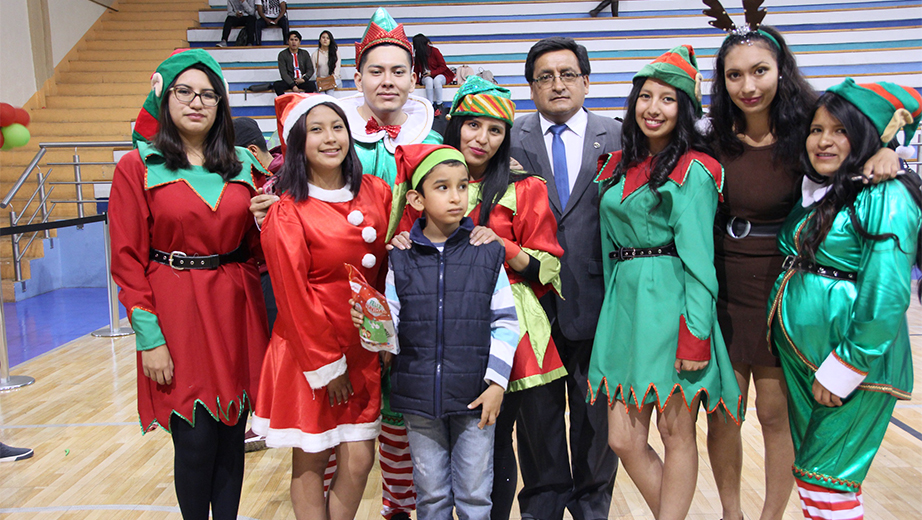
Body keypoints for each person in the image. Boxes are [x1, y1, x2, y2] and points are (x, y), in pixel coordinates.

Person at [700, 13, 904, 519]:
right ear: (723, 82)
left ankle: (772, 516)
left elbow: (863, 131)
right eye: (735, 75)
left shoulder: (811, 130)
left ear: (781, 70)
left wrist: (886, 150)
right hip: (723, 282)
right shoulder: (710, 138)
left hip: (782, 285)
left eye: (760, 71)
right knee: (723, 416)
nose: (749, 85)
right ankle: (731, 514)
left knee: (774, 413)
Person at [392, 77, 568, 520]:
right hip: (438, 333)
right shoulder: (430, 173)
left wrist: (500, 247)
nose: (482, 139)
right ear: (455, 126)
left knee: (522, 439)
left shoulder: (524, 186)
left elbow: (549, 265)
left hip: (512, 328)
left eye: (495, 130)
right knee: (464, 457)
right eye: (473, 125)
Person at [110, 49, 270, 520]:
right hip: (176, 311)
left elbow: (257, 252)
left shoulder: (243, 164)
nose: (196, 102)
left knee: (231, 438)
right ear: (166, 97)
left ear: (221, 105)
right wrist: (149, 337)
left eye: (208, 94)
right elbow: (126, 259)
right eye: (185, 91)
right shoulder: (137, 166)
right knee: (196, 440)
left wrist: (266, 225)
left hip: (236, 309)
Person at [589, 45, 743, 520]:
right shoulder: (612, 166)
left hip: (673, 303)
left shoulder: (696, 170)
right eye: (646, 97)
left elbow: (700, 260)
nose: (654, 108)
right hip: (624, 308)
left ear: (685, 110)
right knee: (622, 439)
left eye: (669, 99)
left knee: (677, 433)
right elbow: (606, 248)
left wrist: (696, 333)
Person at [766, 78, 921, 520]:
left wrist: (846, 366)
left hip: (849, 364)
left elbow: (887, 292)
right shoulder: (826, 187)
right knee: (817, 481)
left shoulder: (886, 194)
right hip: (805, 359)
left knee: (826, 482)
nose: (824, 141)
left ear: (867, 136)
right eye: (817, 130)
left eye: (840, 130)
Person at [250, 93, 392, 520]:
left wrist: (384, 335)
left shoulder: (375, 190)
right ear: (298, 142)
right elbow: (292, 297)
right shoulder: (288, 211)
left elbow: (387, 265)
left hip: (362, 348)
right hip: (310, 351)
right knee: (311, 457)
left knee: (359, 459)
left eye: (337, 127)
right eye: (316, 130)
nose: (331, 139)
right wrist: (327, 365)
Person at [365, 142, 518, 519]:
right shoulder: (399, 255)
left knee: (475, 496)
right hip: (418, 399)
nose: (456, 197)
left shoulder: (486, 251)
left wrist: (497, 384)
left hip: (475, 396)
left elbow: (506, 322)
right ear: (416, 199)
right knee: (430, 496)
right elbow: (390, 328)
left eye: (463, 186)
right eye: (443, 187)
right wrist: (372, 327)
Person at [509, 36, 620, 520]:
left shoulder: (618, 137)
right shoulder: (507, 138)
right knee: (538, 421)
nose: (557, 85)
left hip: (601, 302)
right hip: (529, 304)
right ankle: (543, 507)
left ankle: (593, 506)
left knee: (597, 422)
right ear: (530, 87)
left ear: (586, 80)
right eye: (544, 77)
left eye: (567, 74)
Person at [412, 34, 455, 116]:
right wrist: (416, 81)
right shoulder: (419, 55)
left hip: (441, 75)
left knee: (437, 80)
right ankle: (430, 104)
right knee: (429, 80)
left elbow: (443, 66)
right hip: (426, 77)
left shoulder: (434, 51)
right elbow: (416, 69)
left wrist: (432, 73)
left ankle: (439, 104)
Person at [274, 31, 316, 96]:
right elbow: (283, 73)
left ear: (299, 42)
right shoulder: (282, 54)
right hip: (289, 81)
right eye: (291, 40)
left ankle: (304, 101)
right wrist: (293, 85)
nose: (294, 42)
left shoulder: (304, 53)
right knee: (277, 85)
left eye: (296, 40)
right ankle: (286, 103)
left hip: (301, 80)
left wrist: (303, 79)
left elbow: (310, 69)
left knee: (312, 85)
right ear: (288, 41)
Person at [312, 30, 343, 95]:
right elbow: (312, 70)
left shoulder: (336, 53)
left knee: (330, 91)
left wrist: (330, 80)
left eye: (328, 38)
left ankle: (329, 104)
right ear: (320, 40)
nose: (325, 40)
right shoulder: (315, 54)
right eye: (323, 38)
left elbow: (337, 70)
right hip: (321, 80)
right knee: (322, 94)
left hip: (334, 79)